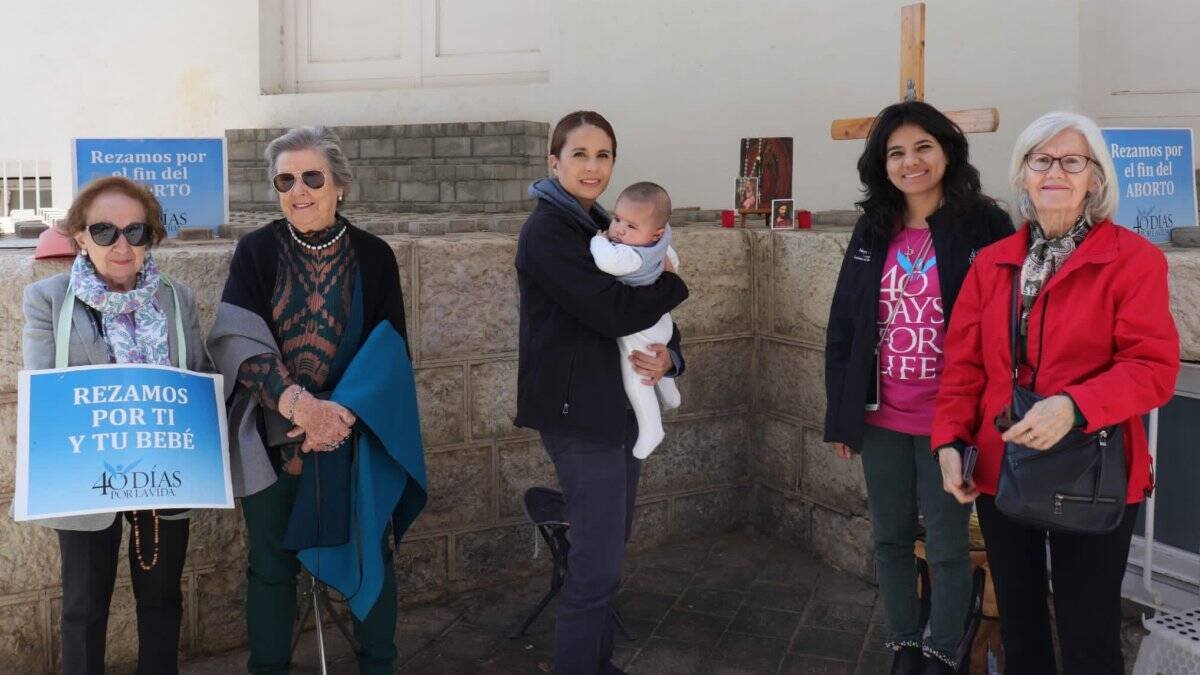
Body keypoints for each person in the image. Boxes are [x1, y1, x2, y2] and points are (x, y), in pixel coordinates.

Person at [932, 111, 1179, 674]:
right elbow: (963, 366)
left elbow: (1153, 367)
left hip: (1094, 470)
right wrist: (948, 440)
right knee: (1019, 625)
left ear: (1095, 177)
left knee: (1088, 631)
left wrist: (1074, 406)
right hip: (1001, 467)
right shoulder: (992, 262)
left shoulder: (1134, 260)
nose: (1055, 172)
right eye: (1041, 160)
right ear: (1023, 175)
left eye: (1073, 161)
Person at [208, 126, 426, 675]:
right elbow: (239, 337)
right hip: (274, 432)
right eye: (285, 179)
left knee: (370, 550)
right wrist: (301, 408)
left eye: (312, 177)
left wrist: (337, 415)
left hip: (353, 430)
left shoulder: (375, 257)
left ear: (339, 186)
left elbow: (389, 348)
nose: (298, 190)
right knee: (270, 566)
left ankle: (379, 665)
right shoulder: (256, 251)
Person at [824, 101, 1014, 674]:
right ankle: (905, 642)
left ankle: (942, 648)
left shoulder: (984, 224)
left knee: (951, 546)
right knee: (890, 539)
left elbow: (1006, 326)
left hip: (950, 422)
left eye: (923, 147)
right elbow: (845, 325)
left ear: (947, 151)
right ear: (882, 164)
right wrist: (841, 416)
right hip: (881, 417)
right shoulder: (872, 227)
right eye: (896, 152)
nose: (912, 162)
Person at [515, 111, 688, 674]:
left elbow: (645, 313)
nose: (593, 167)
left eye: (604, 155)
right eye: (580, 154)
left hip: (616, 412)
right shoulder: (549, 231)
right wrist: (677, 284)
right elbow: (610, 310)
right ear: (554, 162)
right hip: (578, 415)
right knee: (595, 567)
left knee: (609, 551)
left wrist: (669, 357)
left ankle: (598, 663)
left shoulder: (604, 226)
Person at [21, 176, 210, 674]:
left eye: (135, 231)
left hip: (163, 474)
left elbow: (198, 374)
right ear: (79, 236)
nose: (121, 245)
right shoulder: (48, 300)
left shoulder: (176, 299)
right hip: (84, 476)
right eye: (104, 231)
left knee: (163, 599)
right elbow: (47, 388)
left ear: (150, 237)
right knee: (82, 607)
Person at [588, 181, 683, 458]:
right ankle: (670, 393)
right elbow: (674, 265)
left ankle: (652, 429)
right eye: (617, 219)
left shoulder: (630, 256)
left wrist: (598, 239)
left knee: (636, 377)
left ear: (655, 234)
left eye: (631, 227)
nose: (618, 229)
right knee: (657, 359)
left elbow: (607, 262)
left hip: (641, 328)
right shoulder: (660, 247)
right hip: (661, 321)